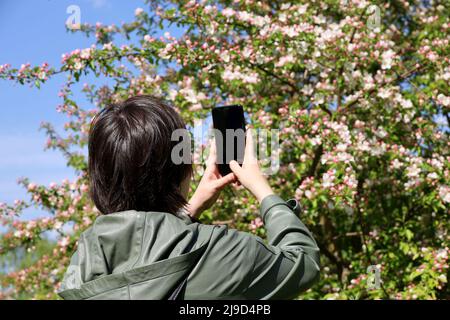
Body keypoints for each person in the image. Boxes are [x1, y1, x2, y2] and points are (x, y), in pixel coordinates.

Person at [58, 95, 320, 300]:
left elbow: (144, 264)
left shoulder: (84, 262)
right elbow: (304, 263)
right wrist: (264, 190)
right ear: (179, 170)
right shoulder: (224, 251)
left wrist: (188, 209)